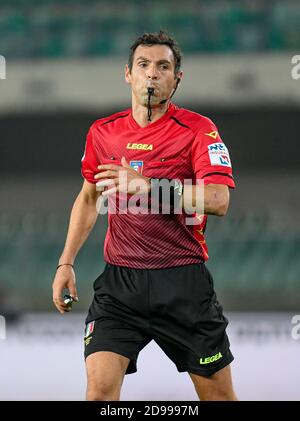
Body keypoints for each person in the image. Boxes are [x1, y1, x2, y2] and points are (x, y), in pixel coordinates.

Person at [52, 30, 237, 401]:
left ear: (177, 78)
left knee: (218, 397)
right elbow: (89, 197)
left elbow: (218, 200)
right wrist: (65, 263)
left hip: (183, 284)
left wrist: (149, 185)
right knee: (99, 391)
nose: (152, 73)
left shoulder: (200, 130)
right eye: (143, 65)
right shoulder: (103, 132)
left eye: (163, 66)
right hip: (120, 286)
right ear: (128, 74)